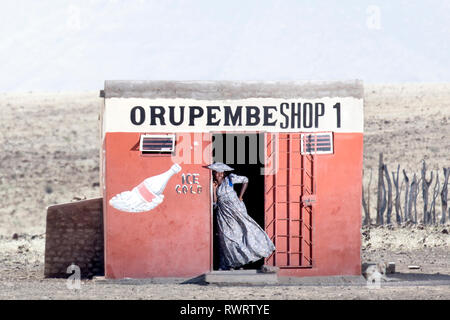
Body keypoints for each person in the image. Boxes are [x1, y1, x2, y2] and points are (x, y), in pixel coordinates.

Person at [208, 162, 275, 270]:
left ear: (224, 173)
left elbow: (245, 180)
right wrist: (214, 190)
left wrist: (240, 196)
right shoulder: (214, 185)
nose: (219, 174)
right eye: (217, 172)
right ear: (214, 173)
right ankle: (232, 263)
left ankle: (250, 256)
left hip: (237, 210)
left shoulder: (230, 179)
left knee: (244, 231)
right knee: (227, 238)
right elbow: (215, 203)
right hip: (224, 214)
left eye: (221, 172)